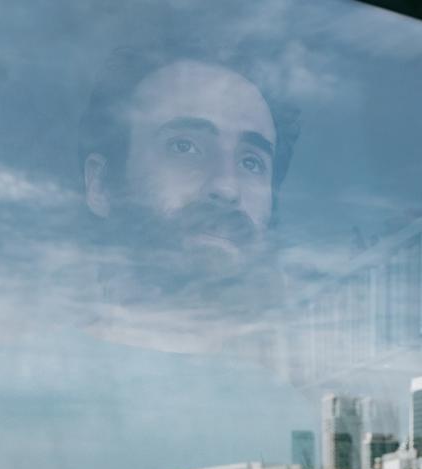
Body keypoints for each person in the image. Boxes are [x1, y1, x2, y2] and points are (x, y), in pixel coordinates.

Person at [77, 42, 299, 351]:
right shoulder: (15, 382)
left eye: (251, 162)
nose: (226, 187)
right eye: (184, 146)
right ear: (100, 185)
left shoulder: (295, 398)